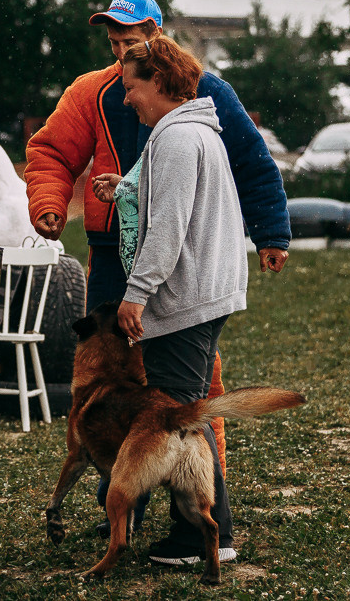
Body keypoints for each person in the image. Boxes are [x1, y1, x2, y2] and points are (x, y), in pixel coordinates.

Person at [23, 0, 291, 552]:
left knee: (181, 393)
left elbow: (250, 163)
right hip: (112, 255)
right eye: (114, 43)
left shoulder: (201, 97)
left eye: (132, 42)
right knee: (107, 387)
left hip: (172, 267)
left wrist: (271, 232)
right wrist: (51, 203)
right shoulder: (90, 92)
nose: (122, 57)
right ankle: (123, 502)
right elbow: (50, 152)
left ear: (158, 40)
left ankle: (201, 520)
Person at [112, 37, 247, 566]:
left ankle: (202, 536)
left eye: (132, 87)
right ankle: (211, 531)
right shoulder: (198, 133)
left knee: (181, 421)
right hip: (210, 291)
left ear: (161, 81)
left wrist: (137, 294)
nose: (127, 99)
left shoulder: (175, 140)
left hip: (187, 296)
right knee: (186, 415)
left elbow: (167, 229)